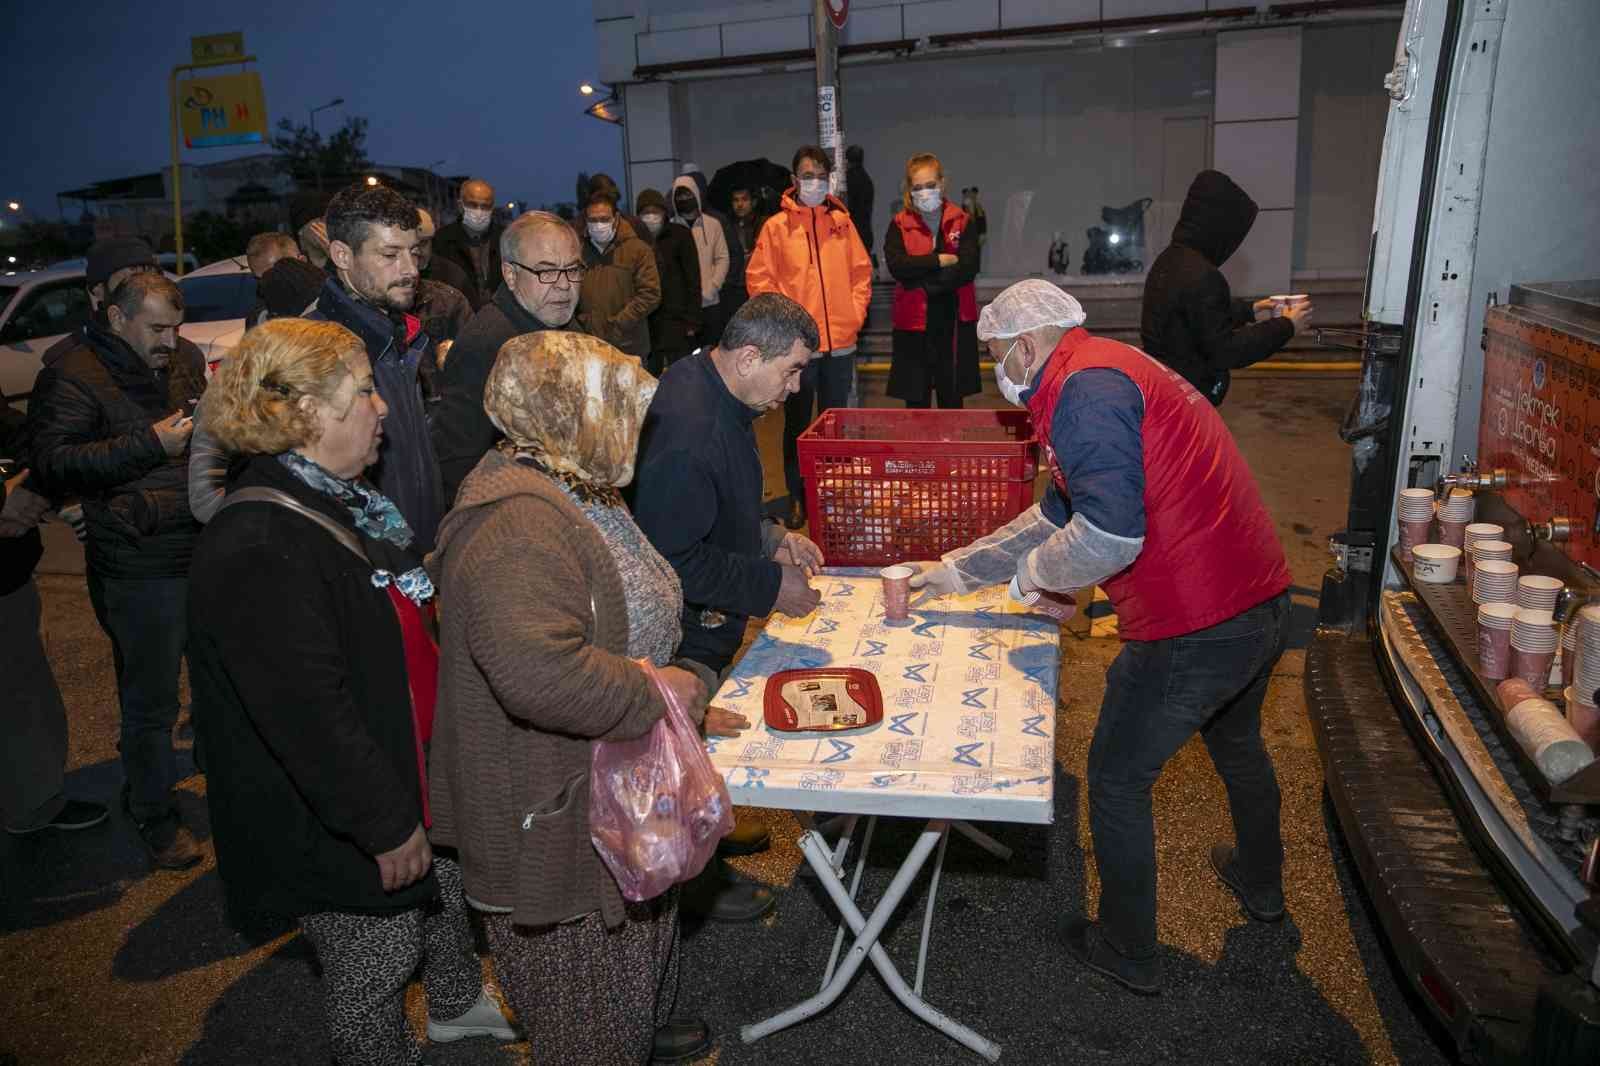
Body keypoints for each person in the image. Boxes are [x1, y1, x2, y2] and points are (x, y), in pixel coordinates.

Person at [908, 279, 1292, 996]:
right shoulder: (1099, 369)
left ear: (1026, 344)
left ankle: (1128, 948)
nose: (998, 371)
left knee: (1116, 780)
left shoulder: (1085, 396)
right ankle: (1261, 881)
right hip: (1258, 599)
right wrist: (957, 572)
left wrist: (1030, 582)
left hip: (1196, 622)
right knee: (1238, 744)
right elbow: (1056, 517)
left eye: (998, 354)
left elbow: (1109, 535)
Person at [189, 317, 514, 1066]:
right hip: (345, 814)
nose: (384, 408)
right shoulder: (263, 544)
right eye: (364, 392)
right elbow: (308, 719)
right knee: (377, 958)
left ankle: (457, 1006)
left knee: (444, 894)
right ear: (304, 413)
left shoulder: (344, 500)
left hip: (408, 768)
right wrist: (383, 824)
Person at [429, 330, 716, 1066]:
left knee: (622, 991)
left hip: (602, 780)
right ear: (567, 412)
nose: (635, 430)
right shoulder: (517, 525)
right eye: (618, 409)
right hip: (551, 810)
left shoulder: (567, 476)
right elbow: (541, 674)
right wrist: (662, 689)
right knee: (587, 1020)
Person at [633, 293, 827, 918]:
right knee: (676, 746)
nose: (795, 389)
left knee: (696, 747)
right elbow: (675, 557)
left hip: (708, 615)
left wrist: (772, 538)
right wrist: (772, 589)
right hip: (682, 631)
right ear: (748, 356)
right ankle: (693, 889)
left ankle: (710, 829)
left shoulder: (715, 385)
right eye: (791, 370)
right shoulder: (690, 430)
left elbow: (723, 508)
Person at [27, 272, 206, 870]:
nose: (171, 340)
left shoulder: (184, 358)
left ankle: (223, 786)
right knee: (152, 703)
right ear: (116, 318)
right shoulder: (72, 373)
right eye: (157, 328)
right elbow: (54, 466)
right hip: (136, 564)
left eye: (177, 327)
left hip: (199, 544)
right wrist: (151, 445)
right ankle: (154, 810)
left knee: (215, 682)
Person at [306, 182, 445, 550]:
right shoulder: (316, 349)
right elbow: (321, 483)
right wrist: (395, 556)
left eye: (414, 253)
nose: (410, 269)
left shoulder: (403, 334)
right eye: (389, 255)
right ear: (342, 255)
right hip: (375, 567)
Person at [745, 145, 873, 529]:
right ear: (794, 180)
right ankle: (799, 497)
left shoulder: (842, 224)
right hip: (798, 348)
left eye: (820, 174)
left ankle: (836, 496)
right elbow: (760, 281)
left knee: (838, 424)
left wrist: (853, 316)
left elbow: (861, 275)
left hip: (841, 344)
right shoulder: (776, 228)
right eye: (807, 174)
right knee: (798, 427)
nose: (814, 182)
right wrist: (786, 330)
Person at [1, 404, 109, 837]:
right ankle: (32, 805)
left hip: (10, 576)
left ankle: (32, 797)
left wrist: (36, 481)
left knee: (25, 696)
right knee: (22, 700)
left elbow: (26, 436)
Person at [432, 211, 585, 505]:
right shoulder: (487, 344)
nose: (565, 285)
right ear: (510, 275)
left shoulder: (563, 323)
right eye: (546, 271)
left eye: (573, 269)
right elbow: (458, 461)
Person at [1140, 169, 1313, 406]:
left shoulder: (1170, 260)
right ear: (1219, 227)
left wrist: (1251, 310)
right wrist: (1287, 326)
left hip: (1166, 389)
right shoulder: (1204, 276)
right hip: (1188, 401)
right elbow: (1226, 350)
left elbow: (1196, 316)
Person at [188, 256, 334, 525]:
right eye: (318, 317)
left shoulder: (322, 372)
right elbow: (203, 500)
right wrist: (264, 523)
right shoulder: (238, 385)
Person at [885, 152, 981, 409]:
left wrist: (922, 281)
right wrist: (939, 261)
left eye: (930, 185)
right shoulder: (898, 225)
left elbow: (968, 267)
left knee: (952, 401)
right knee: (916, 404)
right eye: (918, 187)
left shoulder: (962, 220)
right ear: (909, 189)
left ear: (942, 183)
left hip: (954, 323)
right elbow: (897, 266)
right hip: (913, 327)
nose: (925, 192)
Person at [39, 237, 165, 371]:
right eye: (131, 280)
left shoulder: (176, 347)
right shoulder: (65, 364)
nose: (145, 288)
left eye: (151, 278)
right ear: (99, 291)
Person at [576, 189, 661, 362]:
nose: (599, 225)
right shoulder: (578, 253)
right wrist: (582, 322)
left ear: (615, 219)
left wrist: (619, 323)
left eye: (604, 219)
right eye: (593, 220)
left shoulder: (638, 250)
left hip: (629, 345)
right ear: (586, 221)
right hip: (591, 347)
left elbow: (651, 294)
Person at [636, 188, 702, 376]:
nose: (650, 217)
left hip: (678, 320)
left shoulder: (680, 235)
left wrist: (693, 320)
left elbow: (693, 278)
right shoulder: (635, 240)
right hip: (648, 323)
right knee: (650, 378)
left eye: (655, 212)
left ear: (664, 212)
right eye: (645, 212)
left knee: (683, 376)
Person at [680, 163, 742, 346]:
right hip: (689, 305)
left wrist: (717, 287)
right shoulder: (675, 224)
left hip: (718, 300)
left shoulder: (716, 221)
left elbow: (731, 256)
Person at [669, 176, 727, 356]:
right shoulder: (670, 229)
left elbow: (723, 258)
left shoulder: (713, 224)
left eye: (688, 195)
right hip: (684, 308)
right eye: (679, 197)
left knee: (713, 355)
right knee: (689, 357)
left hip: (710, 303)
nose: (684, 200)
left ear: (696, 195)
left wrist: (713, 286)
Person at [432, 178, 503, 310]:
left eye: (485, 206)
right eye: (473, 205)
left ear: (493, 208)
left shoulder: (504, 239)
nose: (479, 211)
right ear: (460, 205)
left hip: (498, 318)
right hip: (458, 316)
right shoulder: (442, 240)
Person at [414, 208, 473, 301]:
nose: (418, 251)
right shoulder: (392, 274)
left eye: (423, 243)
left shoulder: (454, 277)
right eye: (412, 245)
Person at [844, 145, 876, 267]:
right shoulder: (867, 180)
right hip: (865, 233)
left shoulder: (847, 180)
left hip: (852, 235)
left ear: (846, 161)